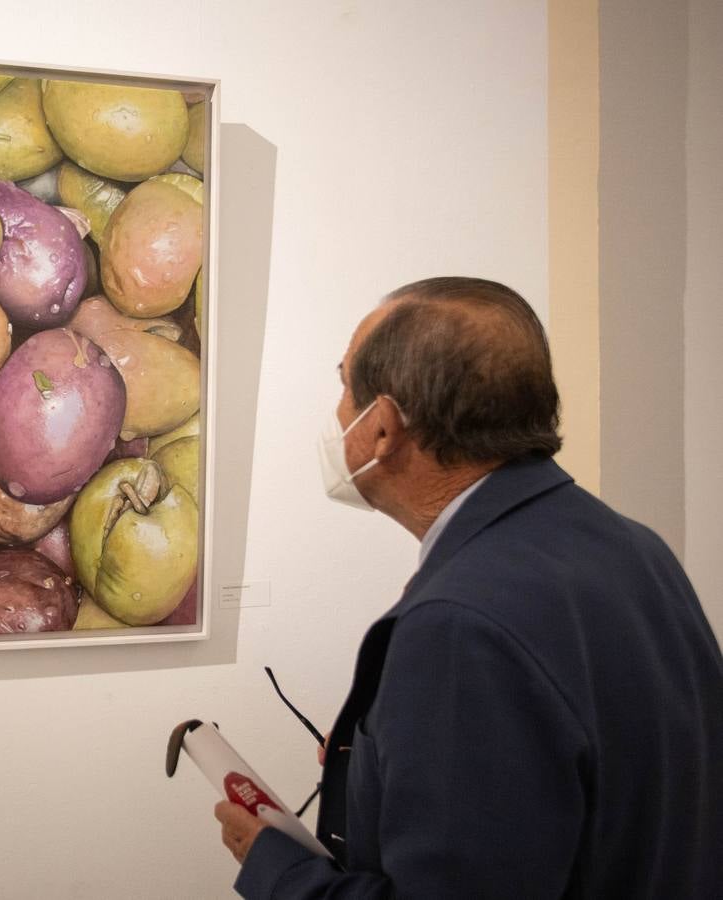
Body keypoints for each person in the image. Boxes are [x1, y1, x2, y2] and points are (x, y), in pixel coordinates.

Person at [215, 277, 723, 898]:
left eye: (346, 385)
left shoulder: (459, 624)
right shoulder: (634, 548)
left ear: (383, 428)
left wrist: (279, 870)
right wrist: (377, 760)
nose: (337, 411)